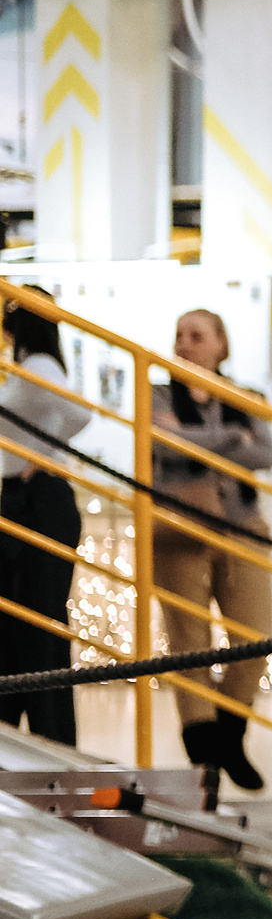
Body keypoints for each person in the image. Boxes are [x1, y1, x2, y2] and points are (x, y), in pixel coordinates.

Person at [152, 308, 272, 793]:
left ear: (221, 345)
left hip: (243, 526)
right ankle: (203, 750)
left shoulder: (248, 396)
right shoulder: (156, 393)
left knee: (256, 636)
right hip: (180, 527)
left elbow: (264, 453)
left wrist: (192, 440)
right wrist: (229, 437)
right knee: (189, 642)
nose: (184, 344)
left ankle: (229, 733)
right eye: (179, 335)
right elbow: (164, 446)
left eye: (196, 335)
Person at [0, 304, 91, 745]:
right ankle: (37, 738)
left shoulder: (38, 366)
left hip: (36, 500)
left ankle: (45, 738)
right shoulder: (32, 367)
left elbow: (79, 413)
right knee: (25, 626)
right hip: (28, 498)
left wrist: (41, 456)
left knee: (35, 626)